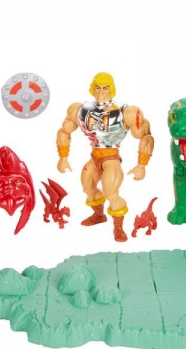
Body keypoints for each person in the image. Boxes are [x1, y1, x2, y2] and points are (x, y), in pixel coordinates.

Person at [56, 72, 154, 242]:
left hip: (111, 158)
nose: (101, 92)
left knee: (111, 193)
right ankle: (99, 216)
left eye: (105, 88)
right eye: (97, 88)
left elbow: (146, 136)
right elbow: (64, 131)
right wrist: (63, 157)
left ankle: (118, 228)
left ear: (112, 89)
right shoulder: (79, 109)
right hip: (94, 156)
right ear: (92, 89)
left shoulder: (127, 112)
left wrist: (142, 164)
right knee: (88, 188)